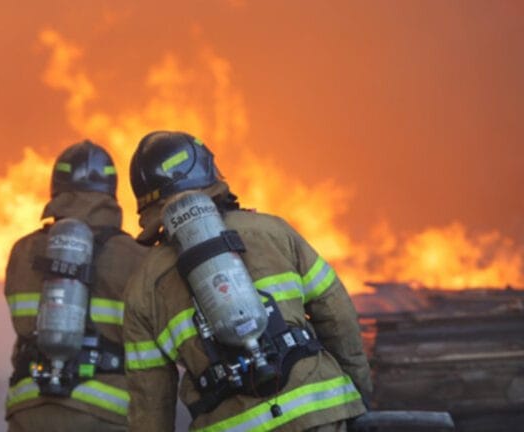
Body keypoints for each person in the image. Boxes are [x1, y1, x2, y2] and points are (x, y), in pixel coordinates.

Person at [122, 131, 372, 431]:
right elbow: (337, 316)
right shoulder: (273, 231)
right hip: (319, 413)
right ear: (207, 172)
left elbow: (150, 399)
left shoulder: (142, 287)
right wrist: (357, 397)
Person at [5, 140, 147, 432]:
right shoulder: (135, 256)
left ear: (55, 189)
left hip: (29, 408)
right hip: (105, 411)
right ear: (110, 192)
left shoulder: (23, 251)